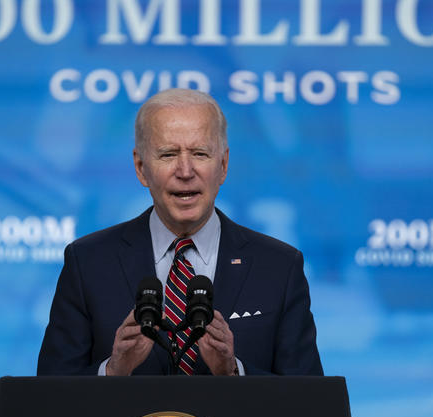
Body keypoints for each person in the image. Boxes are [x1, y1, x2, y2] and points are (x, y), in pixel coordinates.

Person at [37, 89, 323, 376]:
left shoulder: (279, 266)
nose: (185, 171)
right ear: (141, 168)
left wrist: (233, 373)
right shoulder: (88, 262)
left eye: (200, 153)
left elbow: (310, 405)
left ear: (223, 165)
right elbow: (47, 400)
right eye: (168, 154)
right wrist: (112, 372)